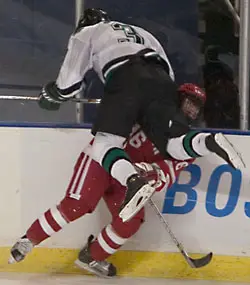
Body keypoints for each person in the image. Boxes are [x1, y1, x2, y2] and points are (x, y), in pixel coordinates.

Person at [37, 8, 244, 224]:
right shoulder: (142, 33)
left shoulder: (88, 32)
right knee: (173, 144)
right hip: (162, 82)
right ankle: (206, 142)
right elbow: (167, 75)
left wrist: (49, 97)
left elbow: (68, 85)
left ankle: (133, 180)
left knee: (104, 145)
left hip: (125, 77)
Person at [9, 84, 212, 277]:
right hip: (102, 160)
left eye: (196, 107)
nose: (191, 110)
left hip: (129, 180)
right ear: (176, 100)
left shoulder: (188, 145)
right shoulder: (149, 110)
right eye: (188, 102)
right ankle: (29, 239)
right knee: (77, 205)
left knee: (130, 222)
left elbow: (167, 174)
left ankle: (91, 257)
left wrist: (152, 174)